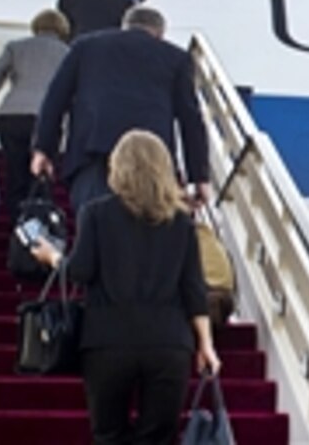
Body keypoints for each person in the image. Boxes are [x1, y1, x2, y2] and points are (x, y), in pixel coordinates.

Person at [30, 129, 221, 445]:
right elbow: (194, 290)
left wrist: (52, 257)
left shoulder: (96, 213)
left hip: (108, 342)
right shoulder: (182, 223)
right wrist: (206, 344)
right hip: (168, 344)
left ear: (118, 167)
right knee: (158, 438)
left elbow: (80, 271)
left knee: (109, 436)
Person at [31, 6, 210, 211]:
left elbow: (55, 99)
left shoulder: (85, 47)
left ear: (124, 27)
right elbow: (191, 119)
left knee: (93, 230)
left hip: (94, 155)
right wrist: (199, 176)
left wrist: (44, 149)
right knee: (145, 234)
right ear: (159, 34)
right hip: (152, 162)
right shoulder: (176, 58)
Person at [0, 9, 69, 213]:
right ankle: (38, 227)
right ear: (62, 29)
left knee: (15, 175)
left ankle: (15, 225)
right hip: (47, 121)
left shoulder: (15, 48)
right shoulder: (67, 53)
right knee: (41, 176)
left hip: (12, 116)